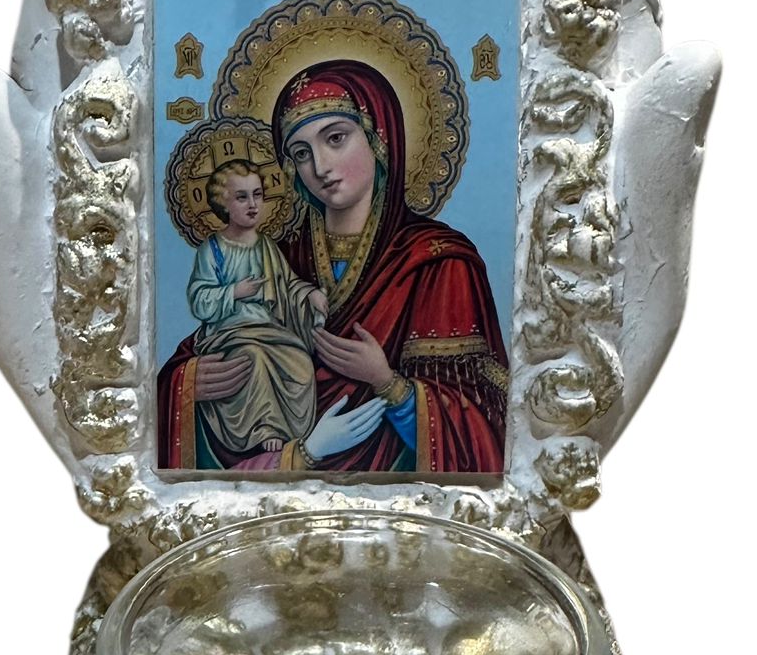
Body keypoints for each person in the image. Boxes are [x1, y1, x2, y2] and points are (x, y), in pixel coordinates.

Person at [159, 58, 509, 474]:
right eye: (301, 153)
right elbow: (209, 344)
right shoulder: (280, 255)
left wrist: (388, 384)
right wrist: (188, 385)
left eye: (336, 138)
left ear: (379, 137)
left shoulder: (439, 262)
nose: (320, 167)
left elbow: (484, 432)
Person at [185, 163, 328, 457]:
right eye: (242, 197)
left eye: (258, 195)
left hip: (269, 330)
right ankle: (265, 427)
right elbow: (199, 299)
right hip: (230, 334)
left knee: (301, 364)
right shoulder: (213, 249)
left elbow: (288, 286)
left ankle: (289, 431)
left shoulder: (267, 247)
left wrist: (309, 294)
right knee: (254, 358)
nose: (252, 204)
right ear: (223, 203)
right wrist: (235, 292)